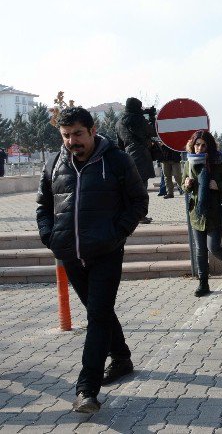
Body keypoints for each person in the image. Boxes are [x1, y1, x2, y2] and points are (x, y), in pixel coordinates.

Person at [36, 107, 148, 413]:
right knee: (99, 309)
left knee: (97, 317)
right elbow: (43, 205)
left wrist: (116, 233)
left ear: (93, 130)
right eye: (66, 135)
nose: (72, 141)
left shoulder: (116, 160)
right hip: (70, 254)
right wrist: (51, 237)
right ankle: (122, 357)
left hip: (106, 252)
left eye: (78, 134)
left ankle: (87, 389)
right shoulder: (55, 163)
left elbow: (138, 201)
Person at [183, 130, 222, 296]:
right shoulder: (189, 163)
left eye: (203, 145)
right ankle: (203, 284)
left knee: (213, 246)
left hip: (217, 210)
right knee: (200, 250)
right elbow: (183, 185)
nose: (199, 148)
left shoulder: (220, 161)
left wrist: (218, 185)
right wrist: (186, 184)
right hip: (197, 212)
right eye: (197, 144)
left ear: (209, 146)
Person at [116, 97, 156, 224]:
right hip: (141, 156)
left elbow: (119, 144)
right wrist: (152, 117)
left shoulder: (119, 123)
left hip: (127, 156)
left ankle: (129, 213)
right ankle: (140, 215)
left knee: (130, 188)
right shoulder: (138, 120)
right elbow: (153, 132)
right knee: (141, 188)